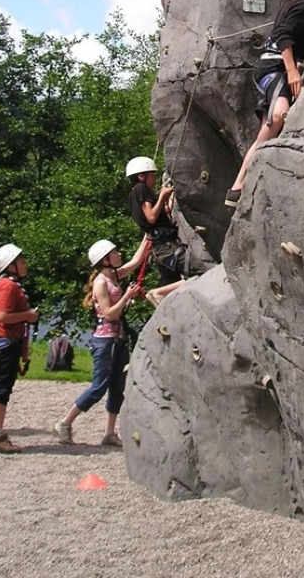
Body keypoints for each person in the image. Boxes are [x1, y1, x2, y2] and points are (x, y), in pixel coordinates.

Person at [225, 0, 304, 208]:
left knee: (267, 129)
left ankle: (237, 188)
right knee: (278, 118)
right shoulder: (302, 5)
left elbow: (287, 32)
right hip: (275, 68)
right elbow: (282, 36)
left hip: (268, 68)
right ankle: (238, 184)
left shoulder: (293, 2)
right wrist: (293, 72)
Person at [53, 236, 149, 447]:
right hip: (105, 341)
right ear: (105, 260)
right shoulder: (100, 283)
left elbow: (135, 262)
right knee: (99, 386)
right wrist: (127, 297)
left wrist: (147, 237)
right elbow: (109, 315)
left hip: (118, 339)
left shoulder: (114, 275)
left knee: (117, 385)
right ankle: (65, 423)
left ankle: (109, 432)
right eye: (115, 253)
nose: (119, 255)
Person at [0, 244, 38, 454]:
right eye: (21, 261)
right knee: (1, 386)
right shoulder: (8, 286)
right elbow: (2, 316)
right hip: (6, 341)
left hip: (5, 340)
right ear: (11, 266)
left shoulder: (9, 284)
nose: (25, 264)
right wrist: (28, 316)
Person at [127, 156, 185, 288]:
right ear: (142, 176)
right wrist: (162, 196)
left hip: (160, 248)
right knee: (196, 268)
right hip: (167, 246)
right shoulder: (141, 188)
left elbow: (160, 214)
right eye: (152, 175)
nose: (154, 179)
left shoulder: (134, 194)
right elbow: (151, 217)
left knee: (172, 285)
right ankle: (157, 295)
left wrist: (166, 199)